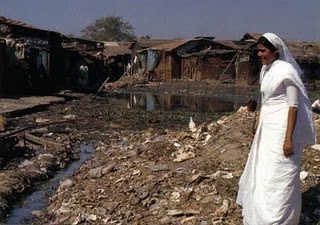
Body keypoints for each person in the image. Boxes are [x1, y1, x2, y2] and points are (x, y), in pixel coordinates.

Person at [236, 33, 316, 225]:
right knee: (265, 170)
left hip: (282, 127)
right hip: (267, 127)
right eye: (258, 51)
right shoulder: (266, 70)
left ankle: (280, 219)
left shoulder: (286, 72)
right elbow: (266, 101)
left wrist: (288, 139)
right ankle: (261, 215)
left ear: (275, 51)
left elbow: (293, 106)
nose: (259, 55)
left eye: (263, 51)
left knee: (282, 169)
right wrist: (255, 121)